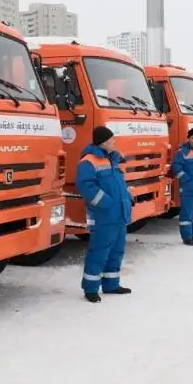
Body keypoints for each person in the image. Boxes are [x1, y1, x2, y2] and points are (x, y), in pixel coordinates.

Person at [75, 126, 133, 303]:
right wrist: (106, 203)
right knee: (99, 252)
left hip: (118, 215)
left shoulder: (112, 159)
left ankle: (111, 284)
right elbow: (85, 186)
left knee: (116, 251)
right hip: (103, 216)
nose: (114, 142)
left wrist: (128, 198)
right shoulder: (89, 161)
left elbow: (118, 185)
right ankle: (91, 288)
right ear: (104, 142)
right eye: (112, 140)